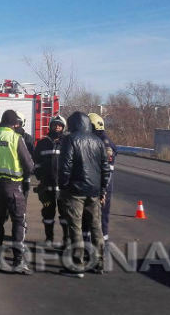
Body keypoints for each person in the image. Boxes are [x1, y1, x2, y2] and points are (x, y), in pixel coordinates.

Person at [58, 111, 111, 277]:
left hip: (75, 191)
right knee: (96, 228)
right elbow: (105, 169)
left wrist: (63, 186)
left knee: (76, 228)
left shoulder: (70, 140)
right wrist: (102, 190)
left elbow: (65, 166)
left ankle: (78, 265)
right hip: (94, 192)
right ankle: (99, 263)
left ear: (73, 124)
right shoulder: (98, 141)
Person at [0, 109, 36, 274]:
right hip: (12, 185)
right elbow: (29, 165)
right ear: (14, 123)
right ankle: (18, 261)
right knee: (19, 221)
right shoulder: (15, 138)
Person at [33, 115, 67, 248]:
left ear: (63, 127)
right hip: (47, 186)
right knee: (48, 214)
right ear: (50, 126)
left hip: (64, 188)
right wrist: (40, 177)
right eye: (55, 125)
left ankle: (67, 240)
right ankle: (49, 238)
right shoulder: (42, 143)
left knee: (65, 215)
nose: (57, 127)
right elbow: (36, 163)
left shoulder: (67, 143)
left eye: (60, 125)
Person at [88, 113, 117, 243]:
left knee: (100, 219)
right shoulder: (96, 140)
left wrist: (102, 191)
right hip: (96, 187)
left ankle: (102, 247)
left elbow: (107, 171)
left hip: (101, 189)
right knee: (92, 218)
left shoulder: (104, 144)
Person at [12, 111, 35, 200]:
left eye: (18, 123)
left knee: (22, 201)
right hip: (10, 176)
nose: (16, 125)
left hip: (24, 176)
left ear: (22, 124)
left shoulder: (28, 139)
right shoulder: (7, 137)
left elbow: (33, 156)